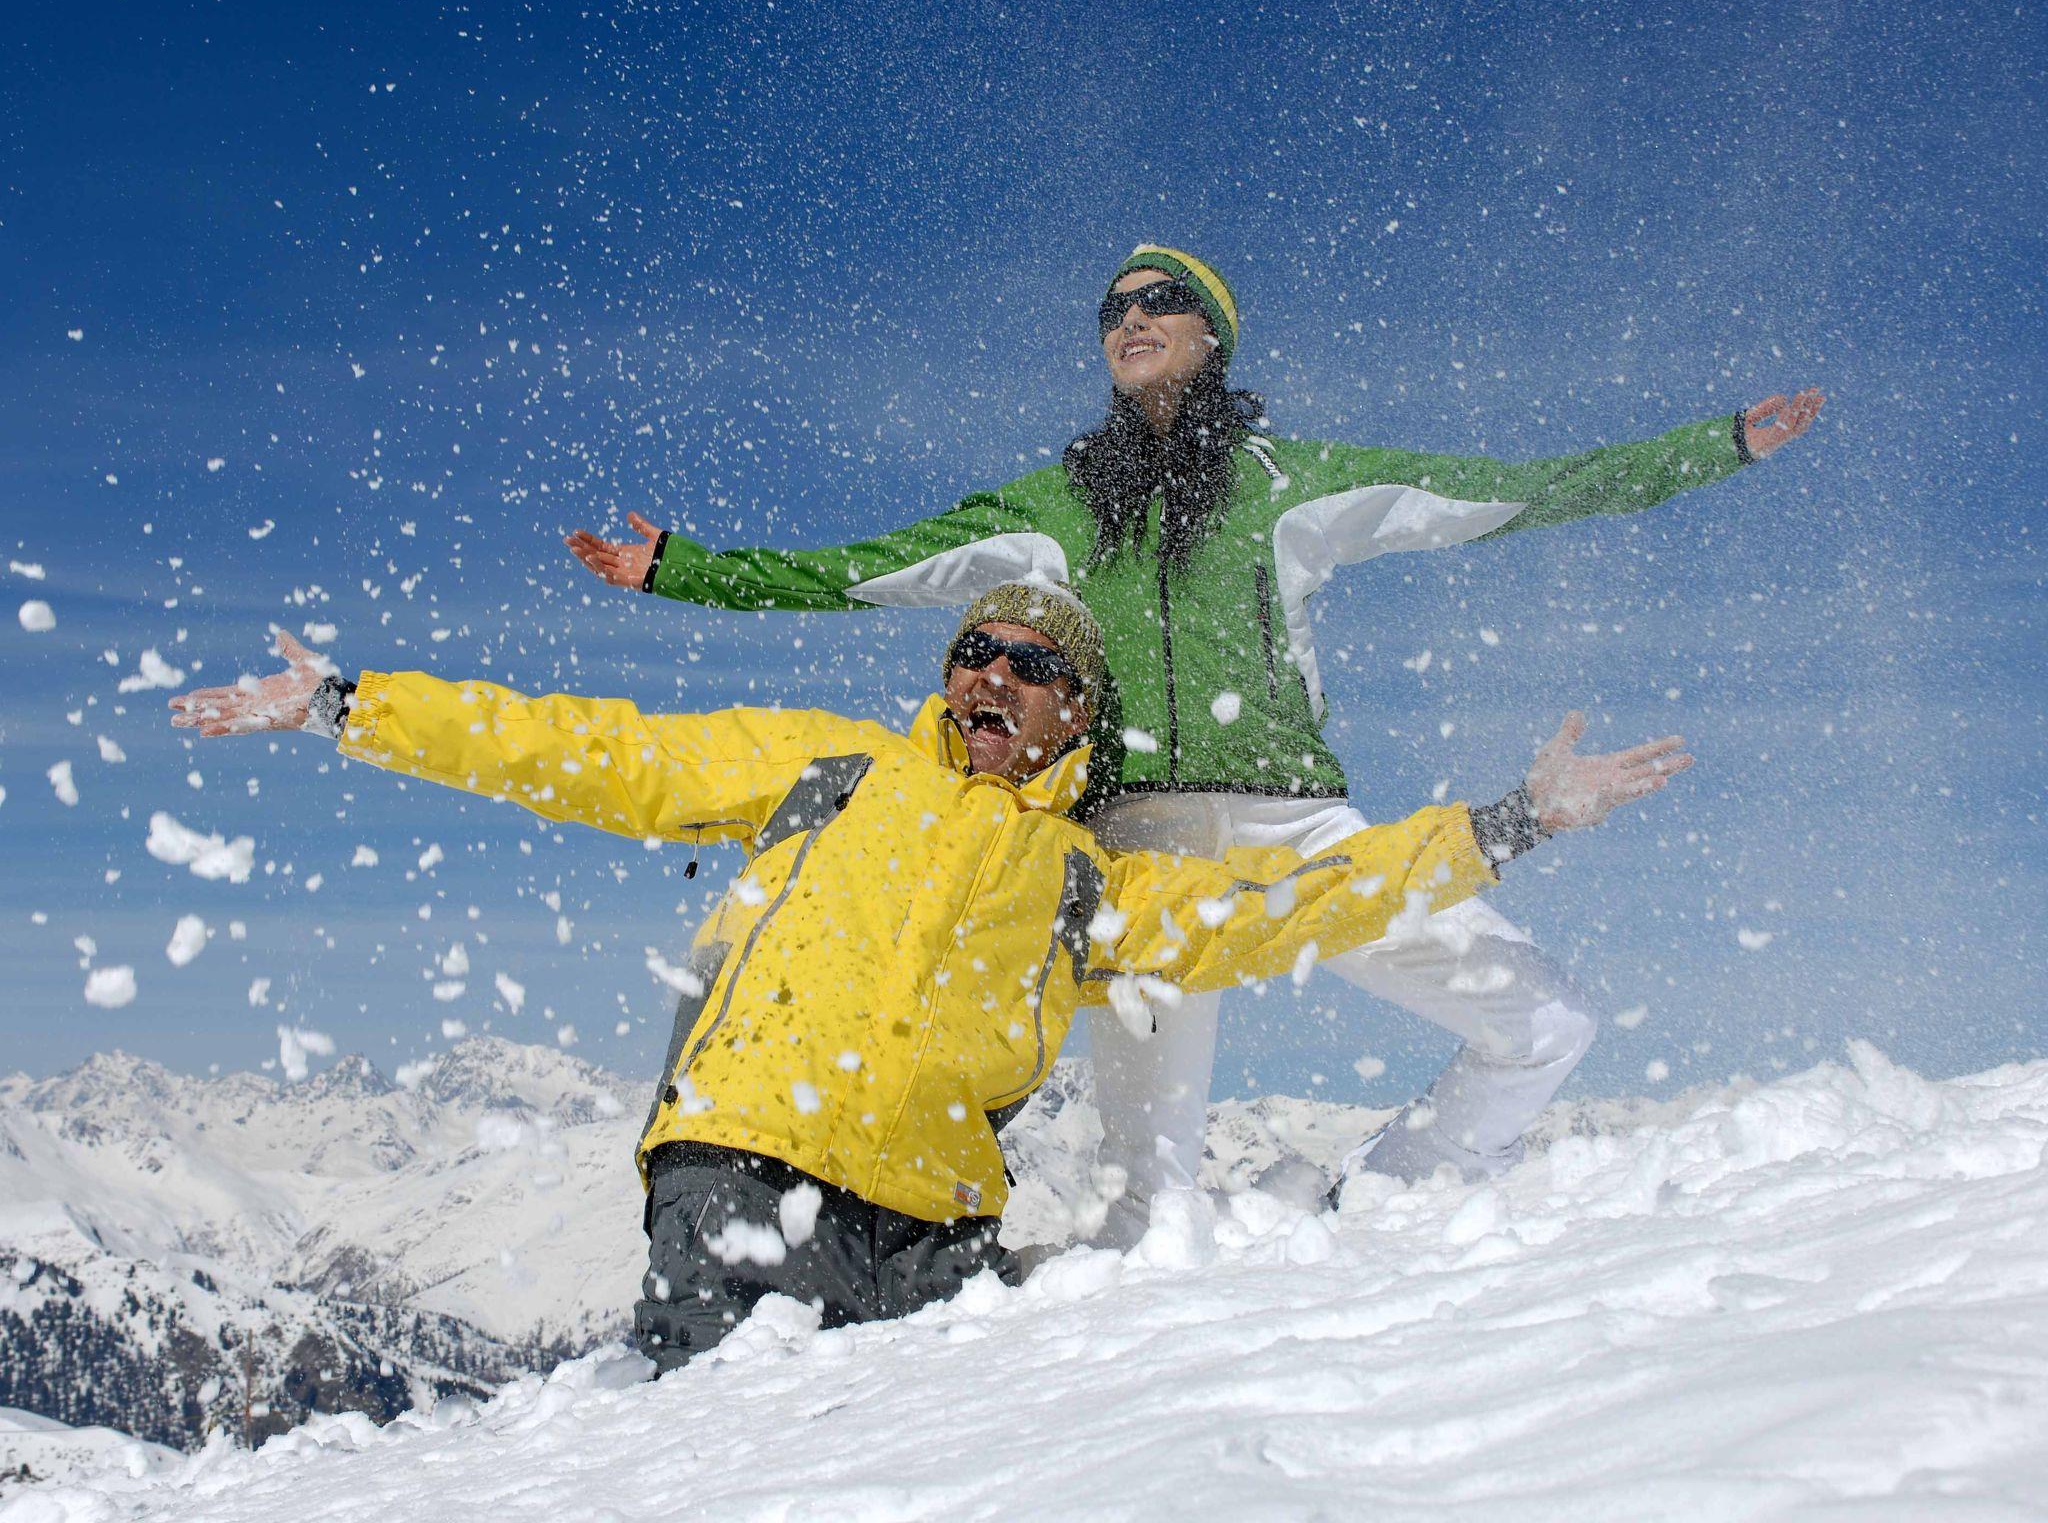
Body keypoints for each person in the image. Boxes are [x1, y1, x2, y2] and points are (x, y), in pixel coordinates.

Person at [564, 245, 1822, 1240]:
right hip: (1136, 851)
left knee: (1542, 1022)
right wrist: (686, 569)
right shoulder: (1052, 508)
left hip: (1295, 823)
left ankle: (1383, 1206)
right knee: (1145, 1194)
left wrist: (1712, 447)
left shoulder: (1293, 482)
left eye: (1158, 300)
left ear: (1210, 332)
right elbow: (862, 567)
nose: (1129, 318)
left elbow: (1512, 492)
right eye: (1111, 308)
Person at [170, 581, 1690, 1370]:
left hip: (934, 1236)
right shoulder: (831, 769)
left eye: (1029, 666)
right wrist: (352, 707)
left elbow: (1284, 907)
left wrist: (1508, 823)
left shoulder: (1087, 882)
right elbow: (594, 750)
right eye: (973, 652)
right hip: (745, 1172)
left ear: (1075, 714)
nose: (988, 677)